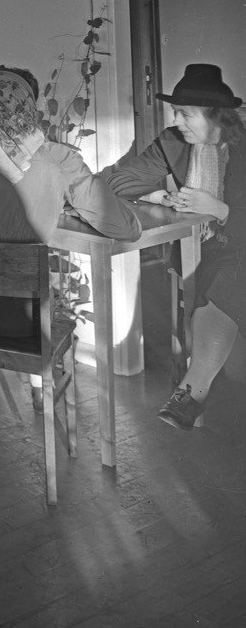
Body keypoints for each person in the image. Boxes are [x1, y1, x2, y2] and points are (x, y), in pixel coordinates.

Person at [0, 67, 140, 439]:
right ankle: (39, 391)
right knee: (25, 292)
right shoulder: (61, 160)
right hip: (22, 318)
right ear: (31, 107)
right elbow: (123, 227)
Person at [101, 63, 244, 430]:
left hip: (240, 251)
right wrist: (157, 195)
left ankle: (191, 394)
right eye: (175, 112)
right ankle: (193, 393)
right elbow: (116, 182)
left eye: (185, 114)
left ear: (215, 116)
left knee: (230, 281)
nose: (177, 121)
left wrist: (220, 210)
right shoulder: (173, 141)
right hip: (202, 251)